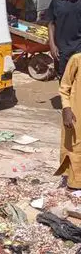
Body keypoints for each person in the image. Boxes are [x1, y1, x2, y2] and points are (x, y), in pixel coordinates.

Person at [48, 0, 81, 79]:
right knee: (63, 78)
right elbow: (51, 24)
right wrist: (52, 46)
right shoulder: (57, 1)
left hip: (78, 47)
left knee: (77, 79)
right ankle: (64, 97)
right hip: (61, 49)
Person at [56, 52, 81, 189]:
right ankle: (74, 184)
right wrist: (66, 108)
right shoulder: (77, 59)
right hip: (77, 115)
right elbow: (64, 87)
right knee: (75, 147)